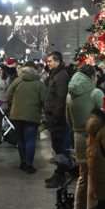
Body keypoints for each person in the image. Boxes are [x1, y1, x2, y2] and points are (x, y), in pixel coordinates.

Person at [67, 65, 104, 209]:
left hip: (78, 137)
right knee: (93, 177)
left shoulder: (70, 93)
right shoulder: (95, 93)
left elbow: (67, 119)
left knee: (82, 176)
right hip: (94, 137)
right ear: (92, 77)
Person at [6, 63, 47, 174]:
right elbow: (45, 100)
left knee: (20, 139)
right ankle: (29, 165)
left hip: (16, 115)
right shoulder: (39, 84)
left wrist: (14, 105)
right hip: (32, 116)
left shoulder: (17, 81)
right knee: (30, 140)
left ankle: (23, 162)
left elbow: (7, 96)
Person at [43, 51, 71, 186]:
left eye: (50, 61)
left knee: (59, 147)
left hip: (58, 119)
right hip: (54, 118)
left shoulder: (61, 76)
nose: (47, 63)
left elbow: (60, 98)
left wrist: (55, 116)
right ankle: (58, 172)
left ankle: (60, 176)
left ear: (58, 62)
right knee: (57, 146)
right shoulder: (56, 75)